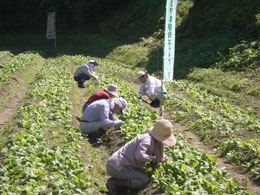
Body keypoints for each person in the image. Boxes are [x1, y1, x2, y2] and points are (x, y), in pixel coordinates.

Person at [106, 119, 176, 194]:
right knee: (144, 179)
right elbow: (139, 155)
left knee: (145, 174)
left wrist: (168, 160)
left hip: (122, 166)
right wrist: (152, 159)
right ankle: (115, 183)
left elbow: (159, 155)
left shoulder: (154, 140)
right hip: (116, 166)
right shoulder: (146, 139)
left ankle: (119, 180)